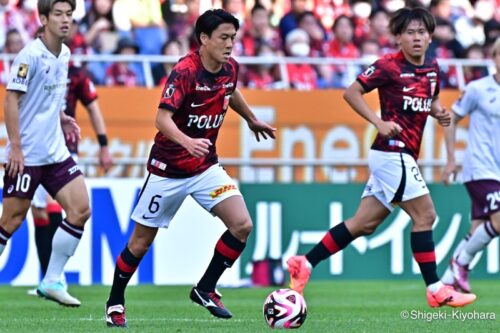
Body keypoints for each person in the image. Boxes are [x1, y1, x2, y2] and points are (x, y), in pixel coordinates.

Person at [286, 7, 476, 308]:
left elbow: (434, 100)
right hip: (392, 152)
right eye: (410, 32)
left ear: (430, 37)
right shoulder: (388, 66)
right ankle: (436, 288)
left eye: (422, 32)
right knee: (425, 215)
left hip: (400, 156)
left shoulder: (432, 68)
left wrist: (437, 112)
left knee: (363, 223)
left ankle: (304, 263)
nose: (417, 37)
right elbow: (351, 93)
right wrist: (378, 121)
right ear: (398, 37)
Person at [104, 8, 276, 328]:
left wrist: (251, 118)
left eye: (233, 38)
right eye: (223, 38)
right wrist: (186, 141)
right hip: (167, 168)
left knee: (242, 225)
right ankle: (115, 301)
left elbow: (230, 90)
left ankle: (205, 288)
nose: (229, 44)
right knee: (140, 243)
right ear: (203, 39)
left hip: (205, 167)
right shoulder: (185, 71)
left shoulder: (230, 68)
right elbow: (161, 119)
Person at [0, 0, 90, 307]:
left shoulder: (64, 53)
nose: (66, 20)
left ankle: (52, 280)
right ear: (42, 18)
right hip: (27, 156)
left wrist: (62, 117)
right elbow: (11, 100)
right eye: (58, 14)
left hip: (55, 153)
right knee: (10, 222)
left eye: (69, 14)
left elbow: (50, 95)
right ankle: (50, 279)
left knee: (80, 209)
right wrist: (16, 147)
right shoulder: (30, 55)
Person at [29, 60, 113, 288]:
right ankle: (47, 279)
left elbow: (93, 108)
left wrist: (103, 144)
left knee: (57, 205)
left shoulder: (75, 74)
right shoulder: (32, 66)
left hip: (63, 149)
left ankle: (55, 278)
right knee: (38, 212)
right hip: (34, 148)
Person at [440, 37, 500, 293]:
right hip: (479, 167)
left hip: (497, 171)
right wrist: (451, 159)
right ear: (494, 58)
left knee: (477, 229)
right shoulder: (478, 88)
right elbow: (450, 119)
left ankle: (445, 284)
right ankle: (461, 263)